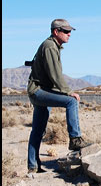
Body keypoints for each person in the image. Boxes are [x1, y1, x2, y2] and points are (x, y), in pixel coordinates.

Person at [27, 19, 89, 174]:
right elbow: (55, 74)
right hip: (39, 91)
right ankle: (75, 140)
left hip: (41, 91)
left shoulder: (53, 46)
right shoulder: (49, 46)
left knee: (38, 130)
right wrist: (68, 91)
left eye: (70, 31)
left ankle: (33, 166)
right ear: (56, 31)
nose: (69, 34)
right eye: (66, 31)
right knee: (71, 102)